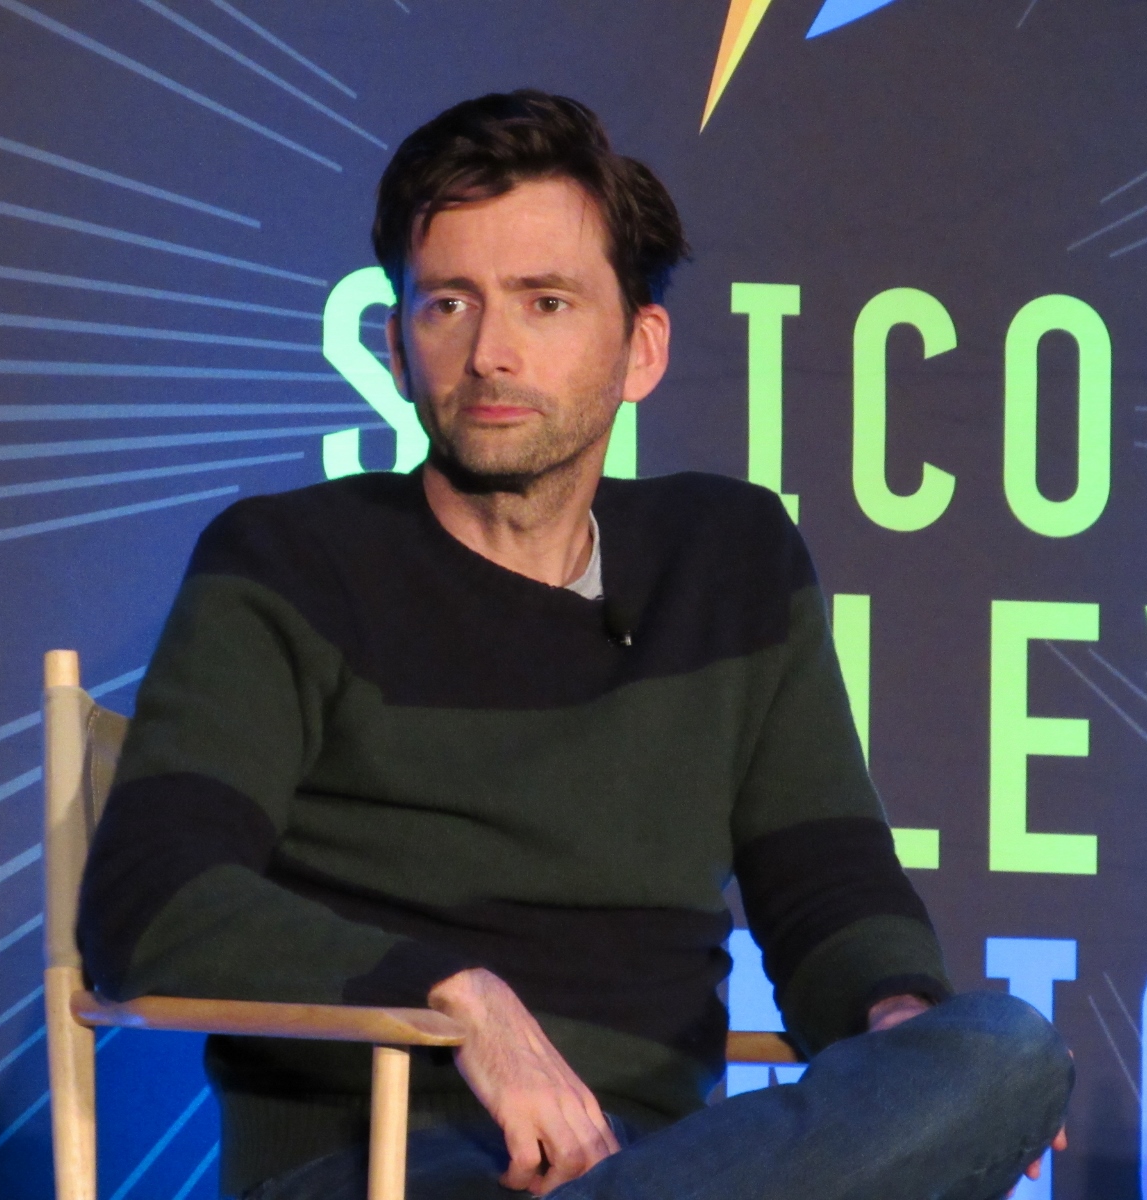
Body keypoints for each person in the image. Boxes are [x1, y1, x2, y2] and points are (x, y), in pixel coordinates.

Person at [76, 90, 1072, 1199]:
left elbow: (825, 884)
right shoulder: (287, 561)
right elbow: (148, 901)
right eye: (448, 304)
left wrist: (895, 1021)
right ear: (397, 345)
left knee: (1005, 1053)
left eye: (544, 303)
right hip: (383, 1168)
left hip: (657, 1167)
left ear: (641, 349)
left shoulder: (729, 560)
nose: (490, 353)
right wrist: (463, 1000)